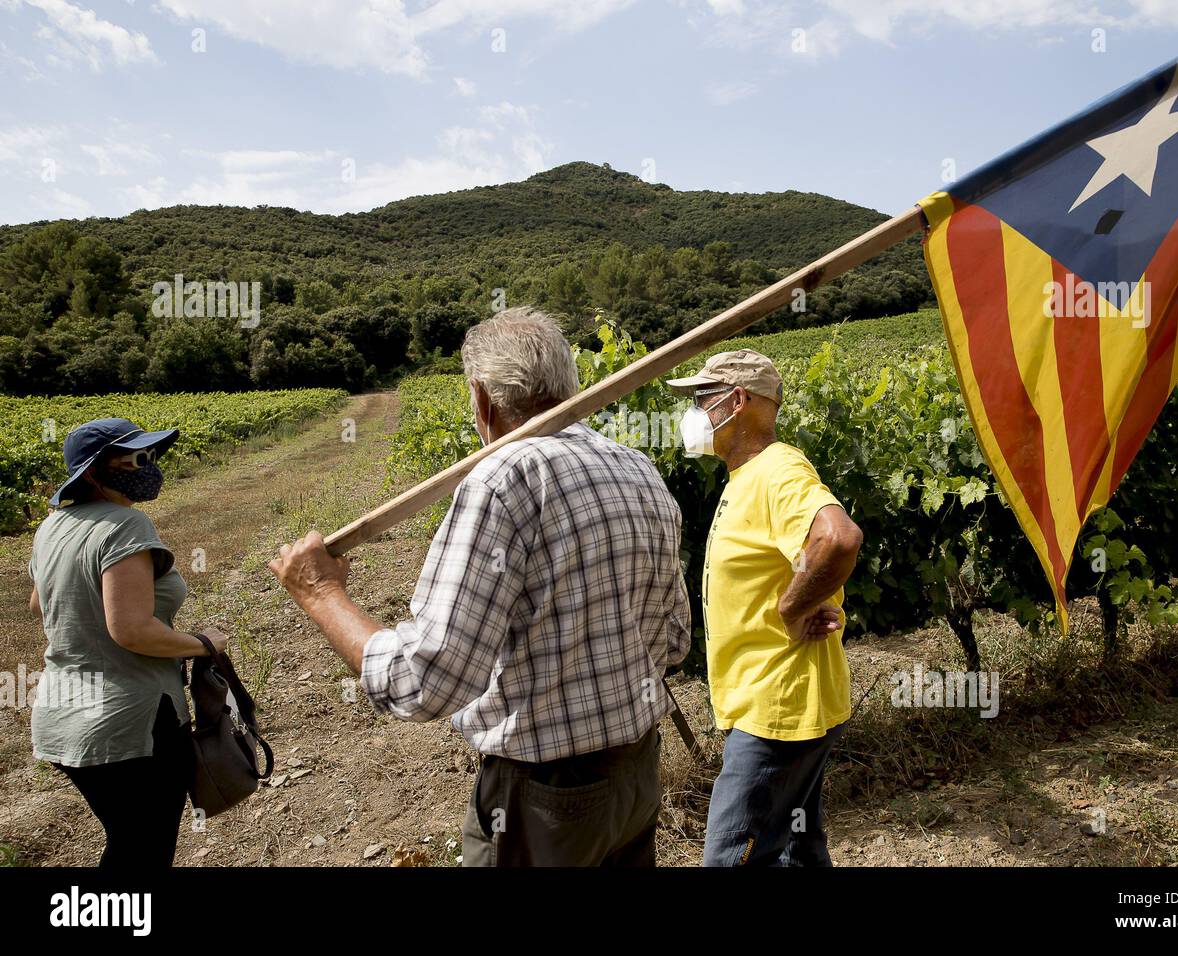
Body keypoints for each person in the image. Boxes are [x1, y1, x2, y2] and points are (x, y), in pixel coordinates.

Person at [270, 306, 691, 867]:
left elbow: (424, 680)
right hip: (637, 775)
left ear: (482, 399)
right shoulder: (638, 469)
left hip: (546, 801)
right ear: (570, 383)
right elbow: (677, 639)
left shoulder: (504, 477)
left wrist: (322, 594)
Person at [668, 349, 863, 866]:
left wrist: (793, 605)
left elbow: (838, 538)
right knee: (797, 850)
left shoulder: (777, 469)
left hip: (776, 710)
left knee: (732, 858)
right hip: (780, 703)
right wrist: (808, 596)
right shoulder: (748, 477)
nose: (694, 413)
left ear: (737, 401)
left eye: (701, 399)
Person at [28, 418, 227, 868]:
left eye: (152, 456)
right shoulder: (126, 526)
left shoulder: (51, 527)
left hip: (61, 719)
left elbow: (40, 604)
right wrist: (203, 643)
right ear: (94, 473)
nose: (149, 466)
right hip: (130, 723)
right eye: (137, 458)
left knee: (128, 842)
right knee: (143, 852)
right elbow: (132, 630)